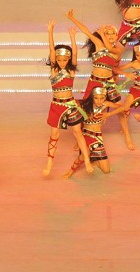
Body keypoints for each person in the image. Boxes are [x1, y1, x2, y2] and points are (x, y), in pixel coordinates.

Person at [66, 9, 132, 149]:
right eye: (108, 33)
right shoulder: (98, 45)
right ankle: (81, 137)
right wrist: (72, 18)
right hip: (94, 82)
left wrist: (102, 33)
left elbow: (111, 55)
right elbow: (86, 31)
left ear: (117, 36)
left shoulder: (117, 51)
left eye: (113, 33)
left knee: (120, 108)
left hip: (108, 83)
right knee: (86, 109)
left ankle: (127, 136)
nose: (111, 35)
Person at [43, 20, 92, 176]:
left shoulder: (71, 71)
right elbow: (51, 49)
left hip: (70, 105)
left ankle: (87, 160)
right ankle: (49, 164)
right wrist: (50, 32)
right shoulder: (54, 70)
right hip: (56, 106)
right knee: (54, 135)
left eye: (65, 60)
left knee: (78, 132)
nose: (62, 62)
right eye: (59, 60)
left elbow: (75, 54)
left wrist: (72, 37)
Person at [63, 86, 127, 178]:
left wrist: (108, 114)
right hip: (86, 135)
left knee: (106, 171)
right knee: (84, 155)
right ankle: (71, 170)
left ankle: (94, 159)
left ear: (105, 97)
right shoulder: (84, 105)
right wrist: (83, 114)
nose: (99, 101)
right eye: (96, 98)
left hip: (97, 138)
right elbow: (69, 102)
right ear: (92, 97)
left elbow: (124, 107)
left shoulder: (105, 104)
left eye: (102, 98)